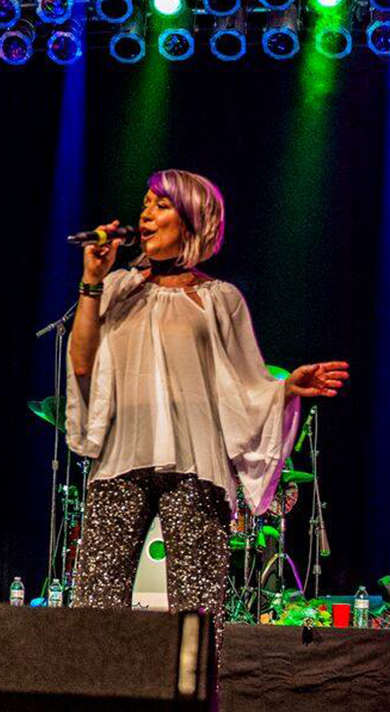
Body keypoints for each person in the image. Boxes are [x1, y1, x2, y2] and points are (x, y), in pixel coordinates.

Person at [65, 169, 348, 633]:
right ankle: (96, 683)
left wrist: (285, 388)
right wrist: (92, 280)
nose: (146, 214)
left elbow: (247, 388)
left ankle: (194, 684)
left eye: (161, 205)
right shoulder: (116, 289)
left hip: (196, 467)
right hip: (119, 461)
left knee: (196, 616)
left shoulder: (220, 300)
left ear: (193, 219)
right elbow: (81, 364)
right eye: (145, 204)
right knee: (95, 607)